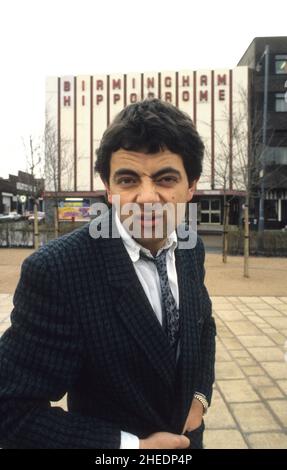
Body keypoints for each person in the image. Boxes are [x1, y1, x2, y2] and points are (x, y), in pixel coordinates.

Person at [0, 98, 216, 449]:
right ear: (109, 188)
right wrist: (133, 448)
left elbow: (203, 324)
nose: (147, 197)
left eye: (165, 178)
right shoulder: (58, 271)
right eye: (129, 179)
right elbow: (11, 410)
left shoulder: (192, 246)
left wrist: (200, 398)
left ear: (191, 186)